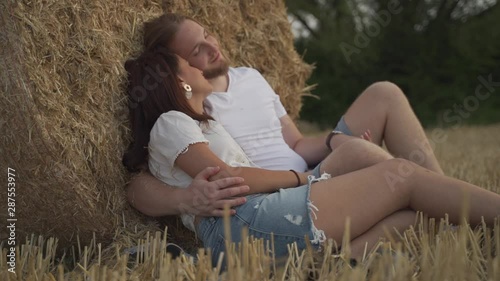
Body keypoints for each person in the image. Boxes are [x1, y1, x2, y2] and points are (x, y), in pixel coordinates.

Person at [123, 48, 500, 265]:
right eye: (188, 62)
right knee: (403, 175)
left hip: (252, 220)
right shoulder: (171, 121)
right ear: (179, 82)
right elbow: (228, 176)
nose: (198, 64)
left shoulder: (197, 123)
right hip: (244, 222)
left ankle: (332, 268)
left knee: (411, 213)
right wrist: (304, 178)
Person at [126, 13, 446, 219]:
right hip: (281, 198)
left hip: (312, 169)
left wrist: (335, 141)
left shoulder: (250, 76)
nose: (212, 46)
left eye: (207, 34)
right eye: (197, 50)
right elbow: (143, 179)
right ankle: (442, 204)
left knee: (384, 93)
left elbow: (296, 142)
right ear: (176, 68)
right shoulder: (191, 107)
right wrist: (182, 199)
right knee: (395, 193)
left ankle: (444, 196)